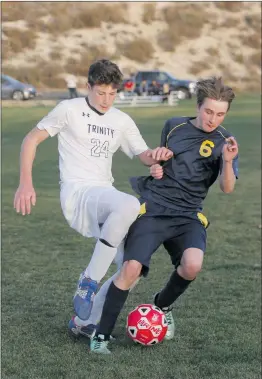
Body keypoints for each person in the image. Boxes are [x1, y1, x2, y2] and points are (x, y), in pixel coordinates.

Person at [13, 59, 172, 329]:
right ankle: (89, 280)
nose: (106, 100)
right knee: (130, 204)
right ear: (88, 87)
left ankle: (85, 322)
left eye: (112, 94)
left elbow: (142, 154)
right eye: (100, 92)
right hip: (78, 192)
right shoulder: (68, 109)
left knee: (131, 268)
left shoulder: (121, 120)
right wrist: (25, 183)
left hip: (104, 196)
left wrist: (156, 159)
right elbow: (31, 139)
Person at [88, 76, 239, 354]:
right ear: (198, 106)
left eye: (220, 114)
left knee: (192, 265)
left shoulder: (224, 142)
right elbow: (160, 162)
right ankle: (101, 336)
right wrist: (156, 167)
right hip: (156, 209)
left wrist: (227, 162)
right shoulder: (174, 126)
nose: (212, 119)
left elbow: (227, 188)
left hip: (188, 215)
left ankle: (162, 305)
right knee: (131, 269)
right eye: (208, 111)